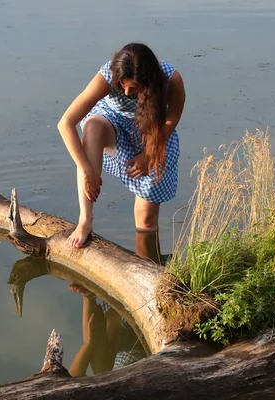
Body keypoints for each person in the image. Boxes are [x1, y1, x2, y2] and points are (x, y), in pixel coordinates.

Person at [57, 43, 186, 263]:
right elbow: (65, 123)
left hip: (151, 135)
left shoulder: (170, 79)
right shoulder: (108, 74)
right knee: (92, 127)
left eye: (134, 89)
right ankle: (85, 221)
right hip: (112, 124)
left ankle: (147, 266)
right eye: (122, 86)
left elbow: (171, 119)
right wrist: (87, 170)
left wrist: (148, 154)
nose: (127, 93)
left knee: (146, 221)